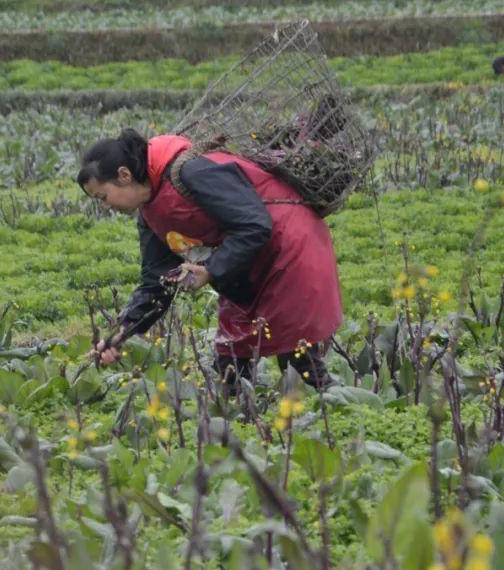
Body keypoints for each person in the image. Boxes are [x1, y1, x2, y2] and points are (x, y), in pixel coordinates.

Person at [77, 129, 341, 390]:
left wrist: (211, 270)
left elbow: (254, 224)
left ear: (124, 175)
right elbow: (156, 283)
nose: (106, 207)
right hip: (245, 262)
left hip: (290, 247)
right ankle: (241, 426)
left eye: (103, 197)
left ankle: (334, 415)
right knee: (230, 362)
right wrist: (120, 334)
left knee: (298, 361)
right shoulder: (149, 214)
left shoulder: (192, 171)